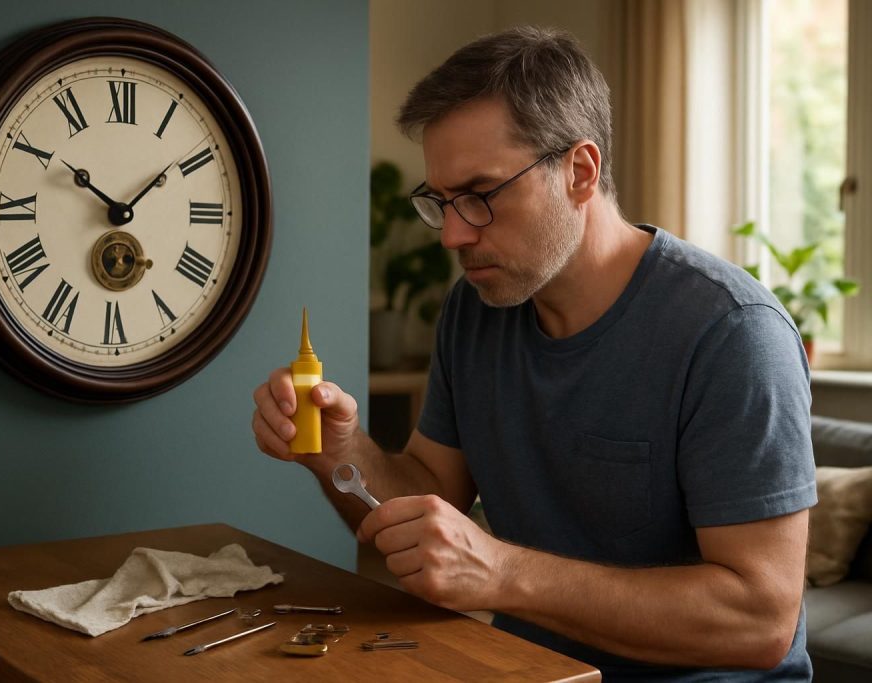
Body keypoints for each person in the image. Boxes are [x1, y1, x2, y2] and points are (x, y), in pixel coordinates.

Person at [252, 25, 816, 681]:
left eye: (482, 196)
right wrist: (341, 452)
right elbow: (430, 496)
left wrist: (505, 573)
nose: (453, 235)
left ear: (580, 171)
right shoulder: (477, 309)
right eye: (442, 201)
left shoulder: (730, 332)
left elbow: (761, 621)